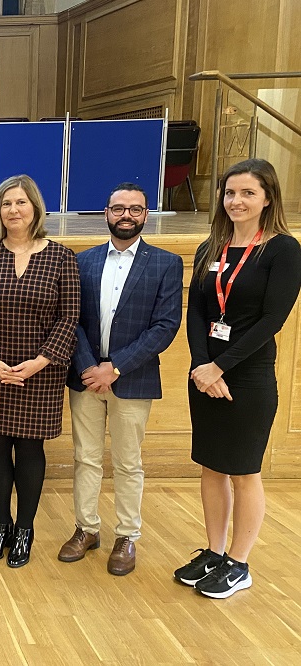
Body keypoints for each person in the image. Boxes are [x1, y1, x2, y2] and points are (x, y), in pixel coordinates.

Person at [175, 158, 301, 598]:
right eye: (230, 193)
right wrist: (200, 364)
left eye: (247, 193)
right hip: (205, 373)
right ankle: (214, 552)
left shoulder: (282, 249)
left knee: (244, 471)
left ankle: (240, 562)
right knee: (211, 468)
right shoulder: (213, 246)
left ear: (268, 197)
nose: (237, 201)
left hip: (247, 376)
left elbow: (272, 319)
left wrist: (220, 367)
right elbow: (197, 311)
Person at [0, 174, 80, 568]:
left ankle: (24, 529)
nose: (13, 210)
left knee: (30, 449)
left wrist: (39, 363)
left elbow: (69, 317)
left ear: (35, 208)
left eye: (21, 203)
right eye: (6, 204)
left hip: (39, 372)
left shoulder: (61, 257)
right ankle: (0, 525)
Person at [59, 183, 182, 575]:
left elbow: (165, 327)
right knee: (86, 458)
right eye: (118, 209)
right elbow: (71, 320)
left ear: (146, 214)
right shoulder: (84, 261)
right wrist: (88, 367)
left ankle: (127, 536)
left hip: (133, 379)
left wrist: (114, 368)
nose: (126, 215)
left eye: (135, 209)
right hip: (87, 378)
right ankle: (86, 528)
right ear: (106, 212)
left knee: (129, 463)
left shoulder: (166, 264)